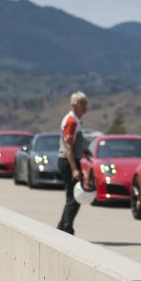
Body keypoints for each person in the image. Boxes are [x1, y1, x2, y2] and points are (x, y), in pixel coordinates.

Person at [57, 91, 91, 235]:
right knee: (75, 197)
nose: (85, 107)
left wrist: (84, 150)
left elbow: (75, 144)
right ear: (74, 105)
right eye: (82, 104)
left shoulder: (76, 120)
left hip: (71, 160)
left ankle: (62, 226)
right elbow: (68, 146)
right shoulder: (71, 121)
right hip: (68, 161)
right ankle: (66, 228)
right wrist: (74, 169)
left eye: (86, 103)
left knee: (73, 196)